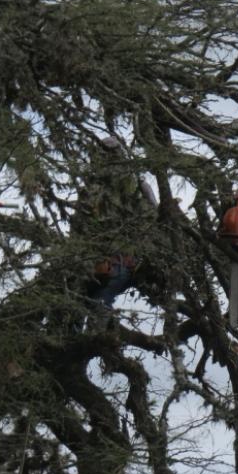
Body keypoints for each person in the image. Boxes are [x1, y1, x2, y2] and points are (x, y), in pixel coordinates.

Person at [71, 136, 158, 330]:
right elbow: (79, 229)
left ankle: (95, 340)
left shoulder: (137, 187)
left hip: (123, 261)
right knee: (74, 305)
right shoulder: (91, 190)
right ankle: (73, 346)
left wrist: (141, 260)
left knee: (99, 302)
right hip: (92, 262)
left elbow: (153, 225)